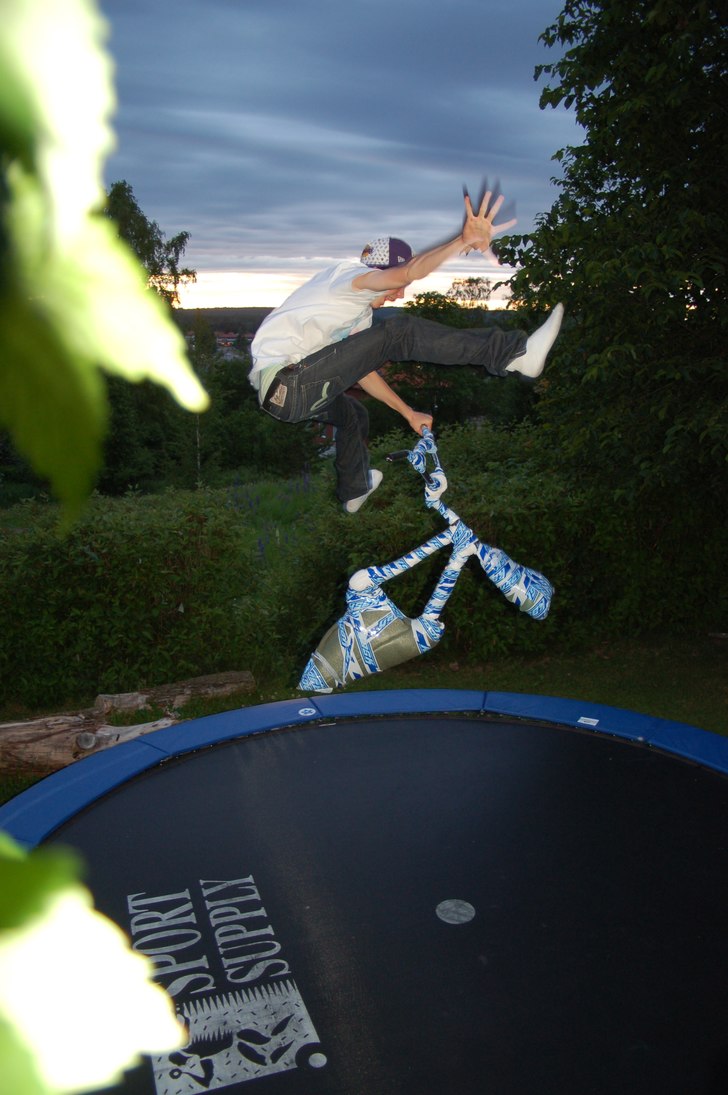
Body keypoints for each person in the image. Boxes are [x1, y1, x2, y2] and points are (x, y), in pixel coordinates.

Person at [249, 190, 563, 513]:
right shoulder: (349, 279)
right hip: (288, 383)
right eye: (397, 286)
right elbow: (410, 271)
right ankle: (513, 353)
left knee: (354, 414)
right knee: (400, 331)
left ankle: (354, 490)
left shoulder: (358, 316)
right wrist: (461, 241)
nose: (398, 295)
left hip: (283, 397)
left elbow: (362, 371)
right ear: (381, 273)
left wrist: (408, 413)